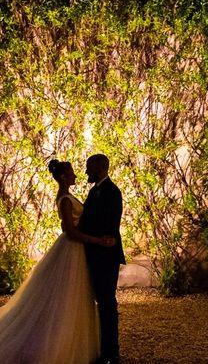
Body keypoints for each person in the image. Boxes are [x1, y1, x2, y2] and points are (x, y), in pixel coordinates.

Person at [0, 160, 116, 364]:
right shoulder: (65, 199)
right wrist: (98, 240)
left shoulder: (71, 196)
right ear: (64, 176)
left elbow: (76, 224)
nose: (77, 174)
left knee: (72, 296)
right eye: (72, 172)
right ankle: (55, 345)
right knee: (64, 297)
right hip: (72, 249)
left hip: (78, 250)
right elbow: (71, 232)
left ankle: (73, 341)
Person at [78, 154, 126, 364]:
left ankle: (111, 353)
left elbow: (110, 224)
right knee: (102, 302)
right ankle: (104, 350)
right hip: (95, 252)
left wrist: (101, 240)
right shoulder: (94, 191)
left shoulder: (112, 192)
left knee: (107, 302)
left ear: (100, 168)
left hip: (106, 255)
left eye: (89, 168)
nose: (86, 172)